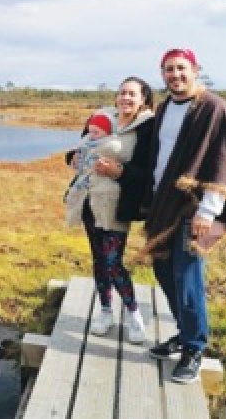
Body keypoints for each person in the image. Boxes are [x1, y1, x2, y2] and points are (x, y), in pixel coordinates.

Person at [140, 48, 226, 383]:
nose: (175, 75)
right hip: (165, 204)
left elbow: (221, 160)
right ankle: (184, 333)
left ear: (195, 69)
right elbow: (157, 156)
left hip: (194, 208)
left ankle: (194, 348)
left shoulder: (214, 108)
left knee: (187, 279)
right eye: (168, 70)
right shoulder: (164, 108)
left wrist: (207, 210)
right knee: (163, 271)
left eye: (181, 68)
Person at [65, 76, 155, 344]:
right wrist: (73, 159)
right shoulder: (101, 117)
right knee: (98, 260)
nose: (126, 98)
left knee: (113, 262)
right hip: (89, 200)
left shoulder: (148, 128)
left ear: (143, 100)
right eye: (123, 93)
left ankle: (133, 315)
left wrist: (120, 171)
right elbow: (81, 145)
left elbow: (149, 172)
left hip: (116, 204)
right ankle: (105, 311)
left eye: (133, 95)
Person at [63, 112, 114, 228]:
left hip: (104, 193)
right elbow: (74, 156)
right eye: (90, 132)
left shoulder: (109, 145)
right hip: (85, 187)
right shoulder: (86, 142)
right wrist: (74, 158)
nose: (92, 135)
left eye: (96, 133)